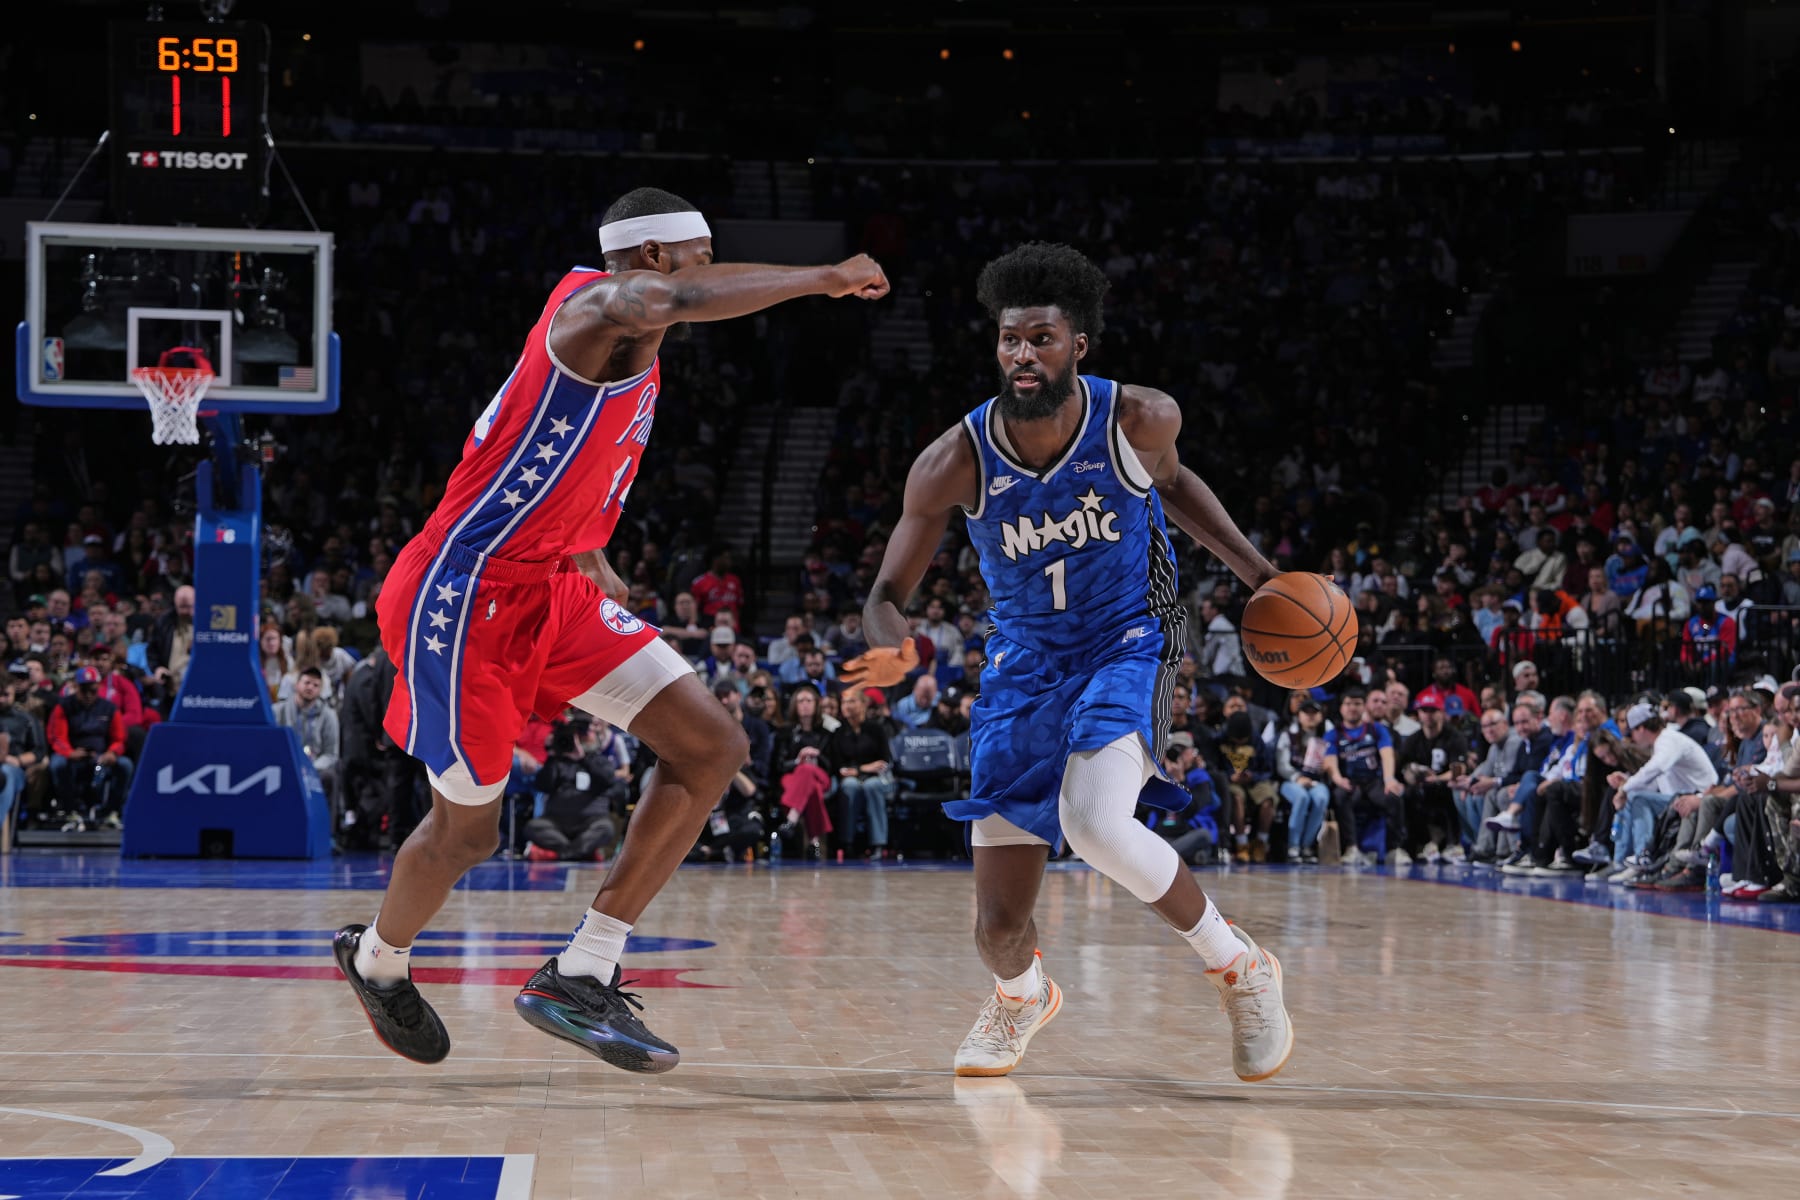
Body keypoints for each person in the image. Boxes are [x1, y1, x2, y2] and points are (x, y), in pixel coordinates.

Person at [333, 186, 890, 1072]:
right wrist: (825, 276)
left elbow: (567, 455)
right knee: (468, 833)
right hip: (463, 594)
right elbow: (663, 300)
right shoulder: (600, 303)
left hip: (548, 585)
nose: (712, 272)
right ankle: (378, 959)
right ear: (657, 257)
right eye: (703, 255)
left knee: (712, 745)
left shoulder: (637, 347)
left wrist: (589, 547)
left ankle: (583, 969)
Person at [841, 243, 1292, 1084]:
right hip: (1023, 667)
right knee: (998, 928)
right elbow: (885, 590)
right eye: (1011, 340)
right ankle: (1021, 995)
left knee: (1093, 820)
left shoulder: (1138, 419)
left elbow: (1176, 482)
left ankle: (1239, 967)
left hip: (1130, 640)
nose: (1023, 354)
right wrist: (892, 642)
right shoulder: (955, 460)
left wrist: (1259, 574)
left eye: (1042, 339)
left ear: (1078, 345)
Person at [1323, 686, 1406, 866]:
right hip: (1349, 782)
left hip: (1373, 781)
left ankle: (1394, 849)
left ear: (1364, 707)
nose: (1353, 707)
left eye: (1357, 704)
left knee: (1393, 797)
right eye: (1348, 704)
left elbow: (1387, 754)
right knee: (1339, 796)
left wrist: (1389, 779)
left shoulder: (1376, 729)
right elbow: (1330, 762)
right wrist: (1338, 779)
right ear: (1341, 708)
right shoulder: (1333, 734)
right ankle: (1351, 848)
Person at [523, 723, 624, 863]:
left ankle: (563, 854)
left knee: (605, 828)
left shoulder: (598, 760)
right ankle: (582, 852)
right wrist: (552, 755)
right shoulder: (557, 762)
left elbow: (608, 779)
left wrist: (582, 758)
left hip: (591, 822)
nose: (575, 744)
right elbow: (543, 786)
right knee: (534, 827)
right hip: (557, 824)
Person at [1274, 698, 1332, 864]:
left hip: (1316, 782)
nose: (1310, 716)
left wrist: (1327, 767)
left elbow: (1333, 761)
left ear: (1321, 716)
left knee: (1321, 798)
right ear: (1298, 715)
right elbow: (1282, 765)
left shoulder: (1327, 737)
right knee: (1302, 797)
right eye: (1306, 712)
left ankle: (1307, 846)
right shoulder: (1287, 735)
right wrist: (1298, 778)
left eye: (1315, 713)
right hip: (1291, 781)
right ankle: (1293, 846)